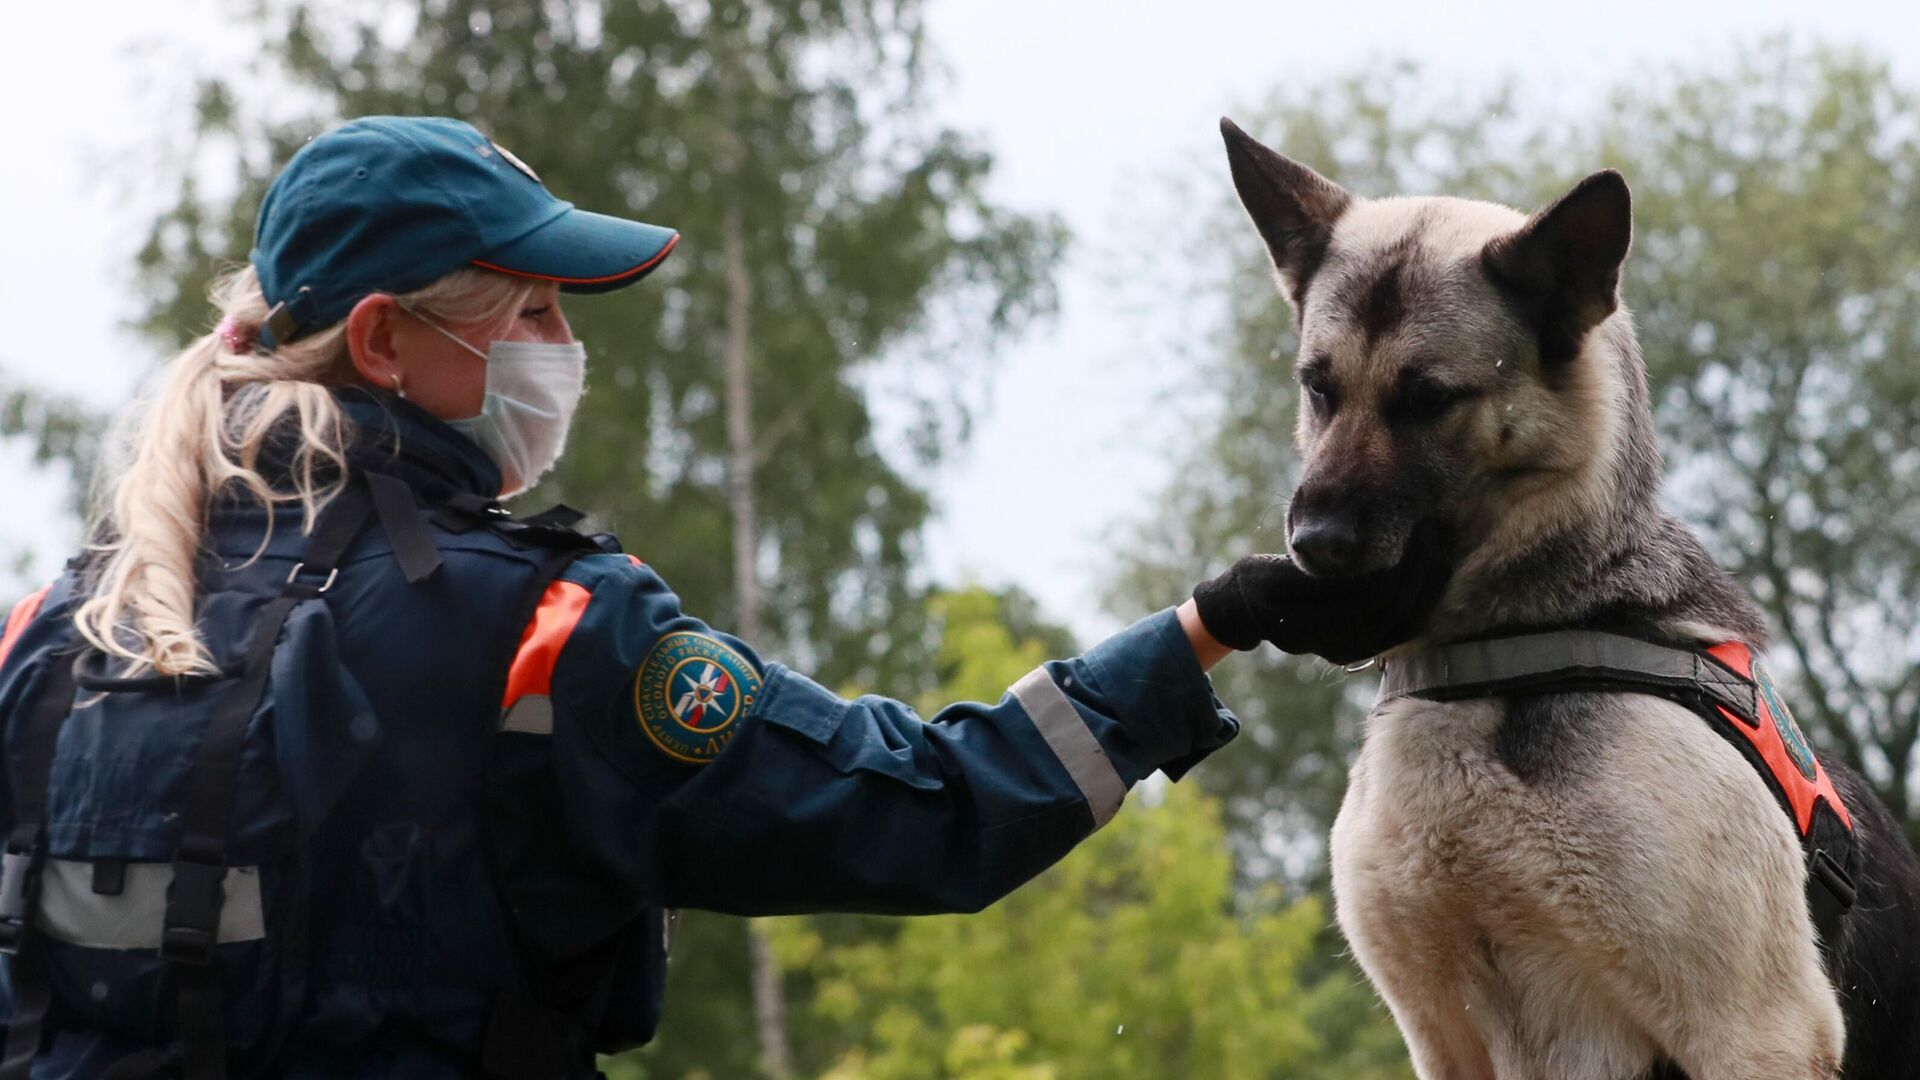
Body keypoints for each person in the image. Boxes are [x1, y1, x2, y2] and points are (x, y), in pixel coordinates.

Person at [0, 117, 1447, 1079]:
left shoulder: (50, 635)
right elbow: (925, 813)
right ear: (384, 341)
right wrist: (1205, 628)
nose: (564, 350)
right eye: (532, 311)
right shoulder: (546, 631)